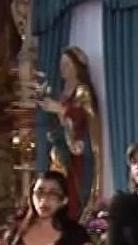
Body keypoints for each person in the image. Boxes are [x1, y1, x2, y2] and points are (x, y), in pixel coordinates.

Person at [39, 46, 102, 221]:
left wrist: (60, 109)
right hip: (61, 145)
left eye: (67, 64)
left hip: (77, 146)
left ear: (76, 67)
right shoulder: (63, 90)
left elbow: (85, 116)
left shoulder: (82, 90)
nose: (63, 68)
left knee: (74, 185)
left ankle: (74, 216)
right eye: (61, 64)